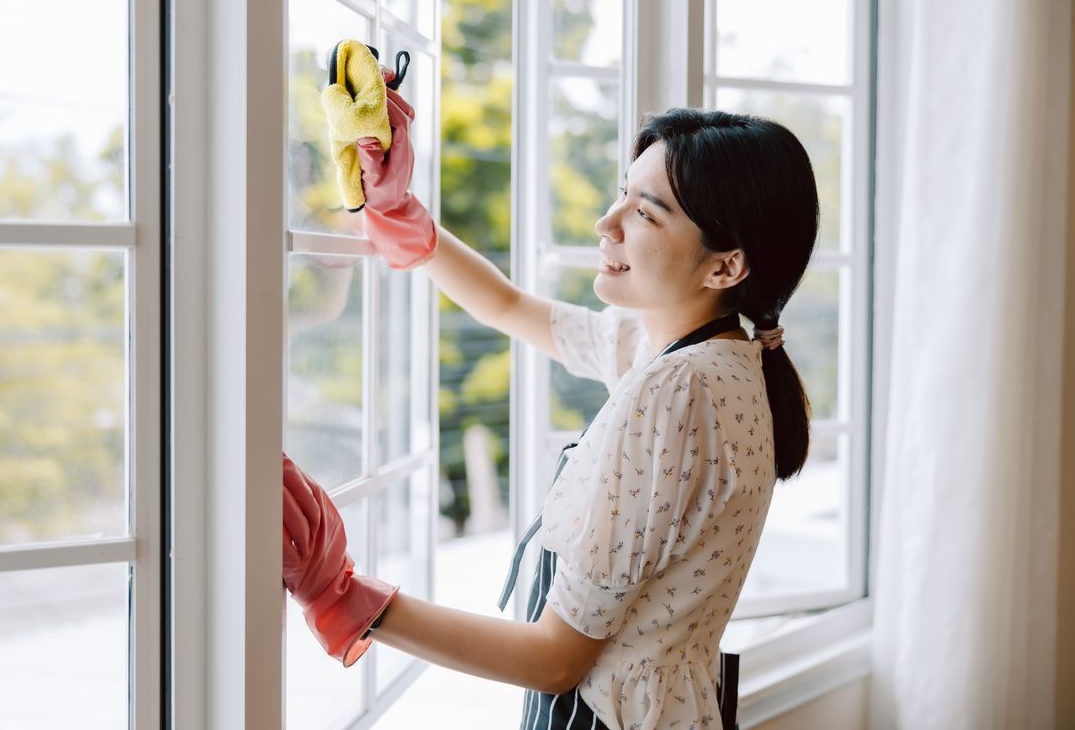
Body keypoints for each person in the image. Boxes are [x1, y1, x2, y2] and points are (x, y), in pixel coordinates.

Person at [282, 75, 820, 730]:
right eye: (623, 193)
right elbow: (507, 305)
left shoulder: (678, 392)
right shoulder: (707, 352)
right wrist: (401, 215)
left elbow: (556, 660)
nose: (607, 222)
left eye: (645, 213)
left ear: (725, 267)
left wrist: (340, 594)